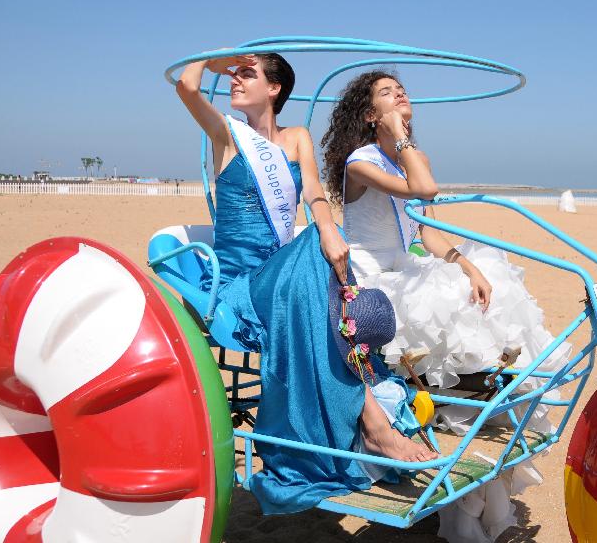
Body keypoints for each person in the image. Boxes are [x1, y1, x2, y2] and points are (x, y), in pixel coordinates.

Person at [175, 53, 435, 515]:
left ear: (274, 88)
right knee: (318, 266)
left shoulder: (296, 138)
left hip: (288, 275)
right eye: (235, 75)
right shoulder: (226, 135)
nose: (236, 82)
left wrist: (329, 229)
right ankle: (374, 425)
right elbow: (187, 86)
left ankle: (365, 421)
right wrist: (218, 62)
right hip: (243, 286)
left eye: (247, 75)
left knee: (321, 255)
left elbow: (314, 190)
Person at [320, 70, 571, 398]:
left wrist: (471, 269)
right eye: (386, 93)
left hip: (405, 263)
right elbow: (424, 189)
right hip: (370, 272)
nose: (399, 94)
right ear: (370, 115)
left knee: (484, 276)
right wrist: (399, 133)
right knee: (431, 300)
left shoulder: (414, 159)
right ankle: (454, 386)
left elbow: (429, 234)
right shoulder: (360, 163)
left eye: (401, 88)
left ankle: (496, 377)